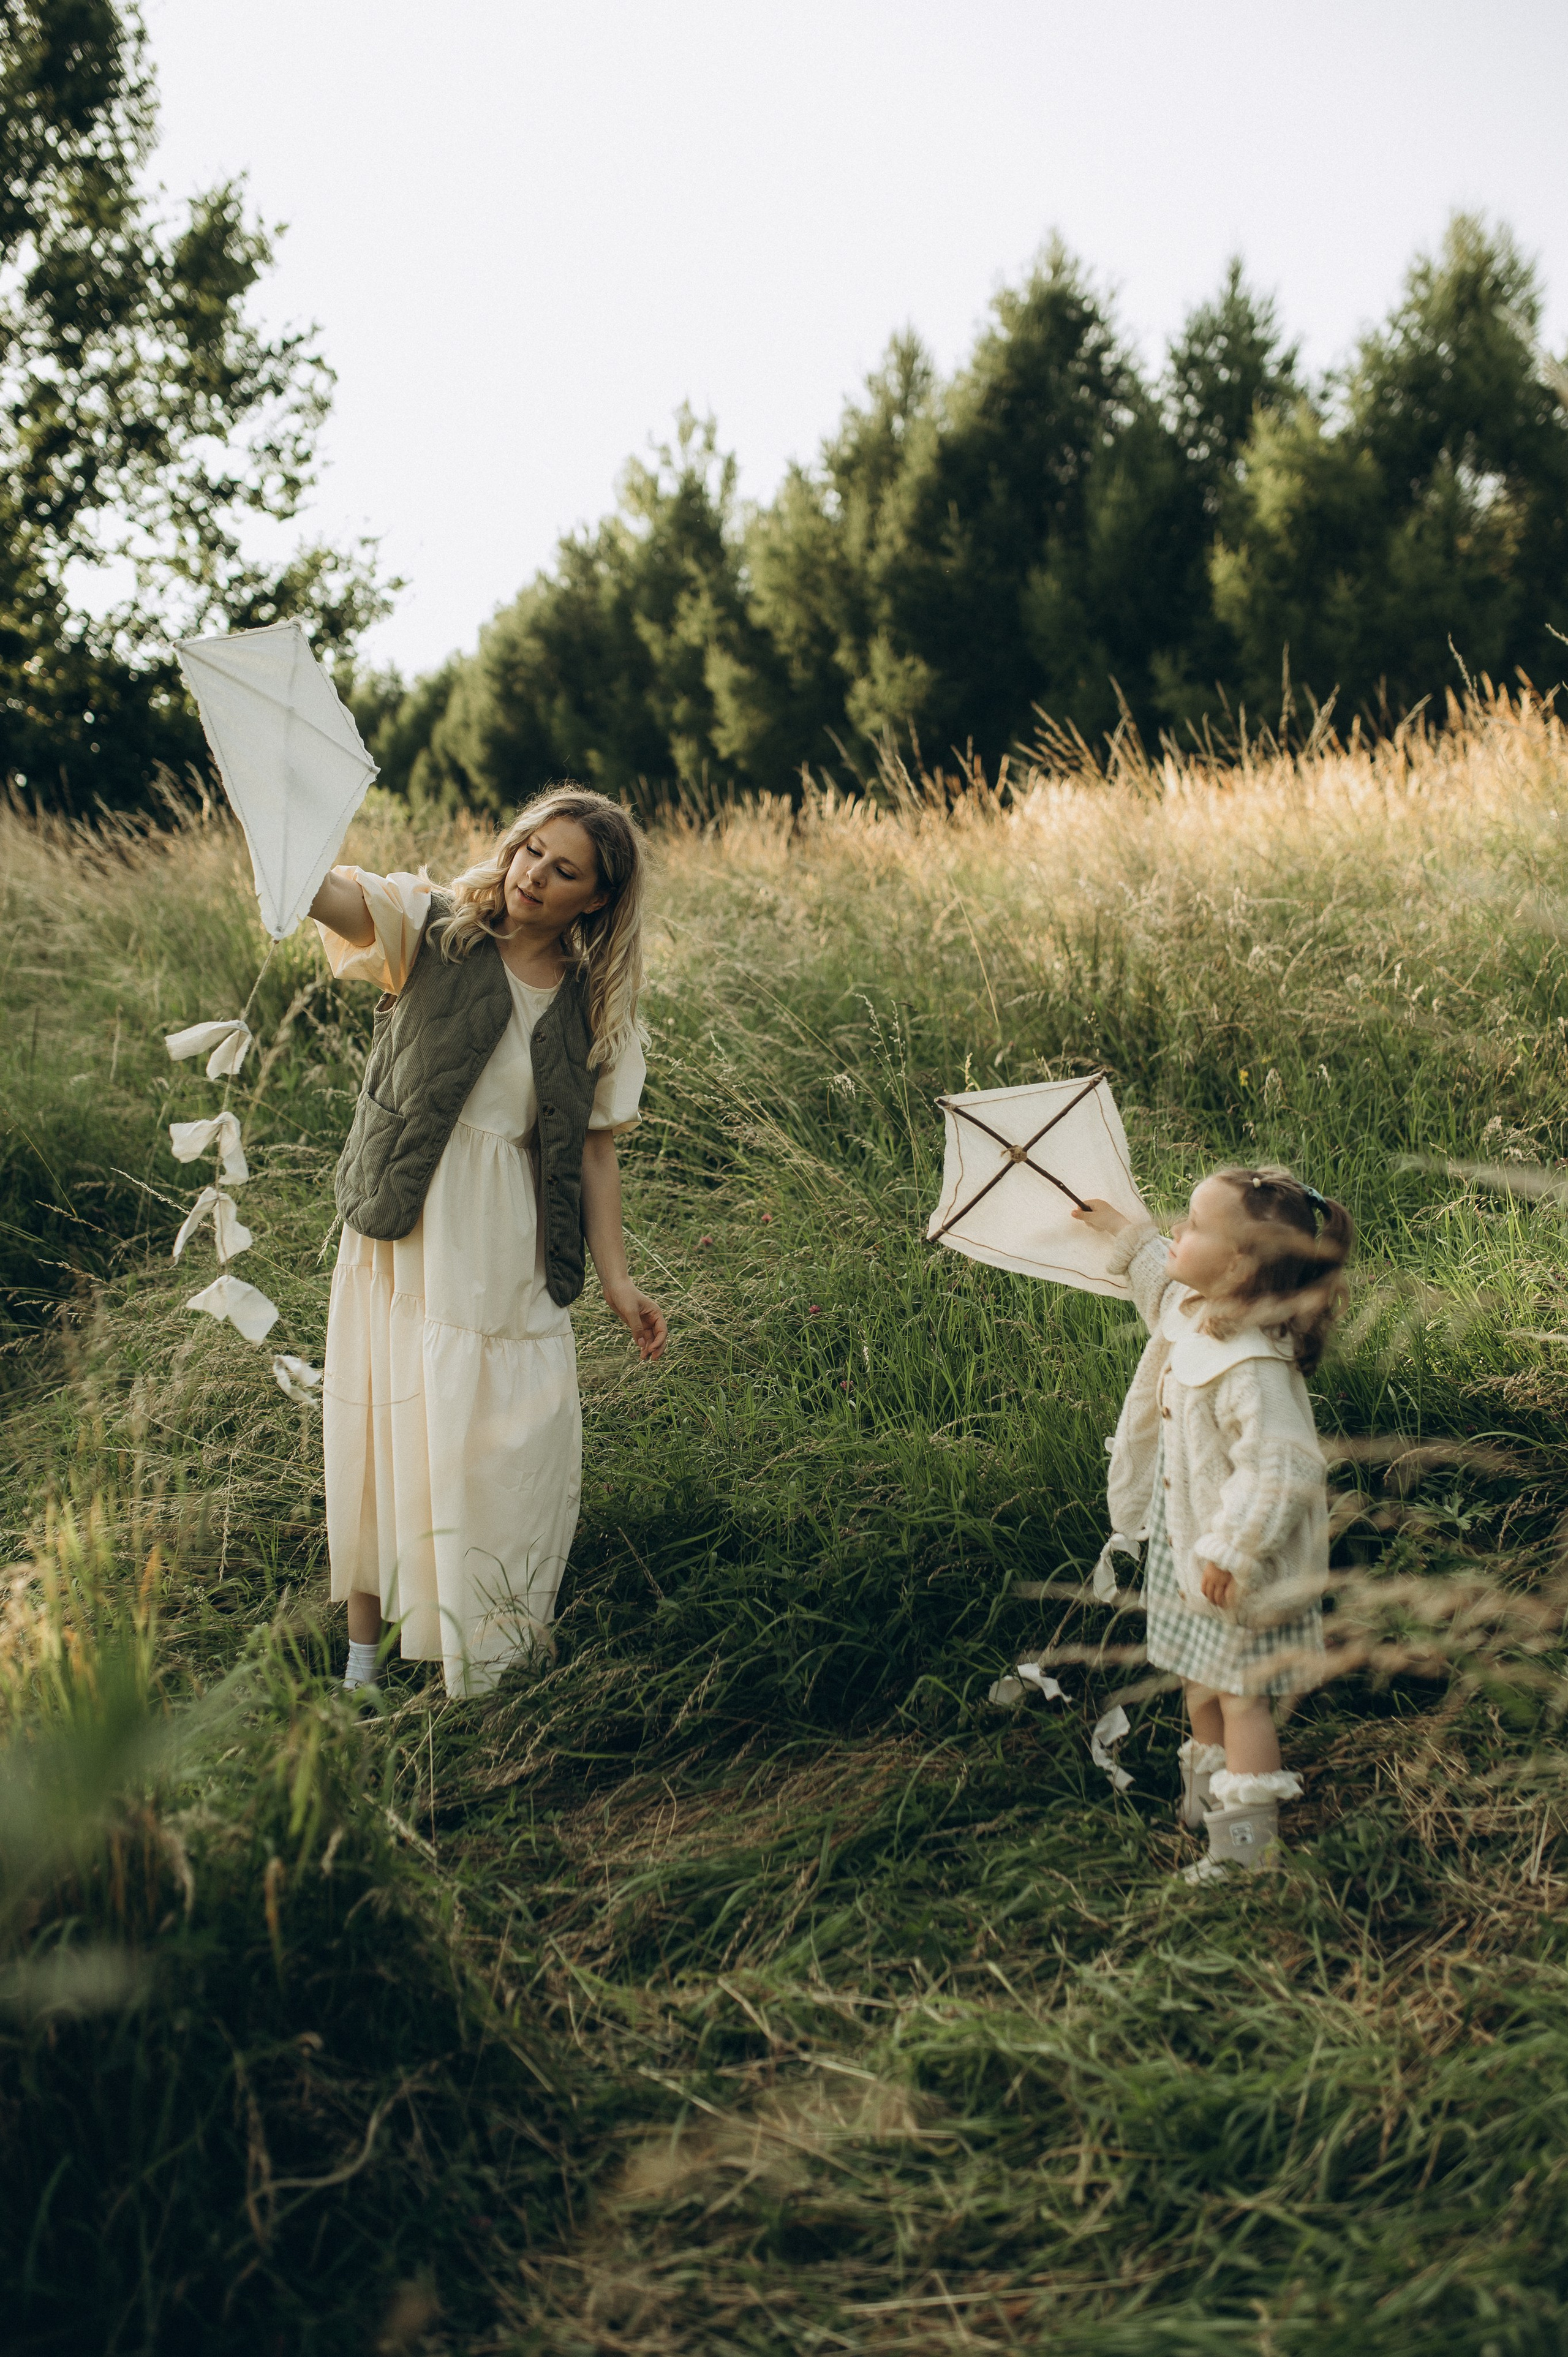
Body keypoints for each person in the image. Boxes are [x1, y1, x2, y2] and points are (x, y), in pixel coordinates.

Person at [309, 787, 668, 1699]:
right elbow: (328, 898)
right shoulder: (430, 927)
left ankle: (488, 1655)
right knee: (385, 1429)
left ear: (597, 897)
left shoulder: (597, 1006)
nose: (533, 875)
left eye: (563, 869)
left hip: (509, 1237)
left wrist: (619, 1281)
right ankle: (361, 1668)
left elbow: (593, 1151)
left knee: (510, 1448)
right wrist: (286, 816)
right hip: (408, 1222)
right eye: (531, 851)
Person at [1072, 1168, 1353, 1877]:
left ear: (1238, 1266)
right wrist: (1124, 1233)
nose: (1178, 1228)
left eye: (1194, 1225)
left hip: (1236, 1564)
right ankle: (1205, 1804)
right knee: (1197, 1677)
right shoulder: (1198, 1309)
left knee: (1240, 1696)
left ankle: (1245, 1850)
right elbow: (1158, 1289)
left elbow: (1281, 1466)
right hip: (1191, 1543)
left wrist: (1234, 1549)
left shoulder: (1252, 1363)